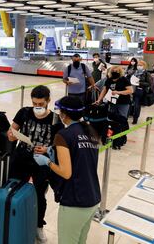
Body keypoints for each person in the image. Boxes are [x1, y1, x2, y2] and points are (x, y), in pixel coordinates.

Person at [34, 96, 101, 244]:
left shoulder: (63, 135)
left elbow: (66, 172)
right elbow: (81, 156)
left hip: (75, 201)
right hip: (93, 196)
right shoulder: (91, 131)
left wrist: (48, 162)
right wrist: (53, 149)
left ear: (64, 114)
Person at [7, 85, 63, 244]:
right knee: (14, 189)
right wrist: (12, 135)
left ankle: (39, 225)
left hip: (41, 162)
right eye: (35, 103)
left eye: (41, 104)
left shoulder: (55, 120)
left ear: (48, 101)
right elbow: (12, 131)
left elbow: (59, 145)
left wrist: (47, 148)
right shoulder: (24, 112)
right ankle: (14, 219)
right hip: (21, 158)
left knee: (39, 195)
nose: (37, 107)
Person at [131, 60, 152, 124]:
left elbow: (149, 83)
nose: (139, 66)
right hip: (132, 89)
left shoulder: (146, 74)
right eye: (138, 65)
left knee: (137, 105)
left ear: (144, 66)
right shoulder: (135, 72)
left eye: (140, 65)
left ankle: (135, 118)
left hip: (140, 91)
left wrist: (139, 83)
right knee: (132, 104)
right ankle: (131, 115)